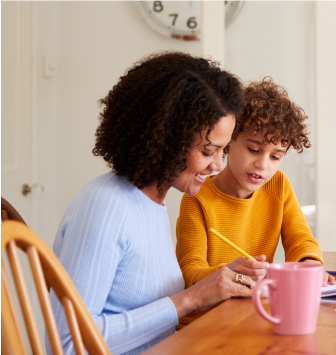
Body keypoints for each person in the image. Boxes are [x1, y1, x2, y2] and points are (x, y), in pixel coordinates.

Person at [49, 52, 251, 355]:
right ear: (168, 139)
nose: (218, 165)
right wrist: (191, 299)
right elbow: (69, 343)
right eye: (209, 151)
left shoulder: (152, 203)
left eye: (223, 151)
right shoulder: (104, 207)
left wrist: (215, 282)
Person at [175, 78, 334, 326]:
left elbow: (300, 239)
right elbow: (190, 273)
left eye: (275, 157)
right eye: (254, 149)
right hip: (206, 324)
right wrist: (229, 273)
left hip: (254, 315)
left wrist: (309, 265)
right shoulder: (198, 198)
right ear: (229, 141)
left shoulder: (278, 185)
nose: (263, 165)